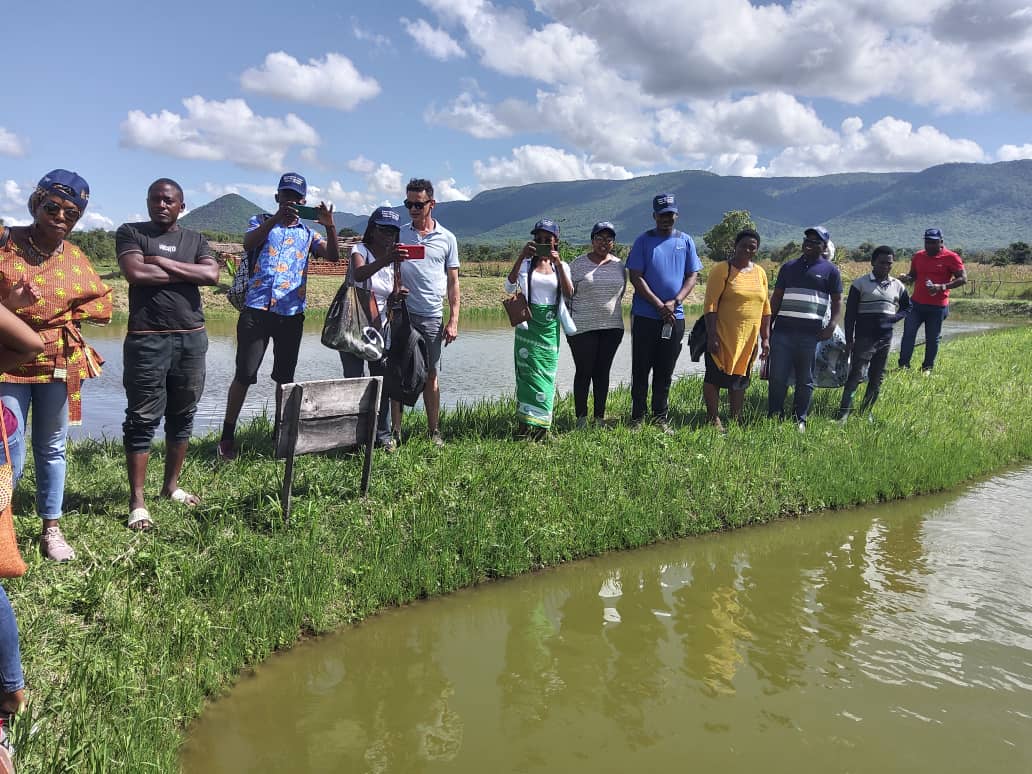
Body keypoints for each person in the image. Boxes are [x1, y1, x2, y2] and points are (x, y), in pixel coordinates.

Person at [0, 170, 112, 561]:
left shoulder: (76, 257)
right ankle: (3, 531)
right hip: (7, 359)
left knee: (52, 447)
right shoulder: (4, 243)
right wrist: (11, 306)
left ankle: (51, 529)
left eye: (72, 213)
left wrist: (66, 315)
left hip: (56, 363)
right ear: (36, 203)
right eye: (53, 207)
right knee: (7, 447)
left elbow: (103, 302)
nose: (61, 217)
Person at [116, 179, 220, 530]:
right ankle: (137, 501)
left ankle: (171, 487)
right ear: (147, 202)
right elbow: (135, 273)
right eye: (155, 199)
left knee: (183, 414)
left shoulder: (195, 239)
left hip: (191, 339)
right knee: (142, 418)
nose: (161, 205)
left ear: (181, 205)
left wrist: (160, 261)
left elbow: (212, 274)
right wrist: (188, 274)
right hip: (147, 340)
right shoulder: (131, 232)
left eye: (168, 200)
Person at [217, 173, 339, 459]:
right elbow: (248, 244)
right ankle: (226, 437)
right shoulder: (260, 222)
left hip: (291, 314)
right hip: (256, 311)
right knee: (244, 374)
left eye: (296, 198)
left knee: (284, 378)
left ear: (304, 201)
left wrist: (330, 226)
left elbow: (333, 256)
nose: (291, 202)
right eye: (286, 196)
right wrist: (275, 218)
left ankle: (280, 434)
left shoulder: (309, 234)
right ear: (277, 198)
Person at [626, 194, 702, 433]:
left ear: (676, 215)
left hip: (674, 317)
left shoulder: (686, 241)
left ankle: (660, 416)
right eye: (661, 215)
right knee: (641, 368)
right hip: (645, 315)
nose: (666, 218)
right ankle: (637, 417)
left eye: (670, 214)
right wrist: (659, 304)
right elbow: (635, 276)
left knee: (665, 368)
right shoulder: (643, 241)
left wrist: (675, 301)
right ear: (654, 216)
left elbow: (692, 275)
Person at [397, 179, 460, 447]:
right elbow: (390, 270)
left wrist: (454, 319)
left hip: (433, 316)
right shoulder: (398, 234)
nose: (413, 208)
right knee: (398, 373)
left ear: (431, 204)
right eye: (408, 203)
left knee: (431, 374)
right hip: (402, 315)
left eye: (418, 204)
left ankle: (434, 432)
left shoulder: (447, 238)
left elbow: (453, 282)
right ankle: (395, 433)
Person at [340, 207, 406, 451]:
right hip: (354, 326)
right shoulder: (360, 250)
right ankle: (354, 438)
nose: (388, 234)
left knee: (382, 381)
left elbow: (390, 294)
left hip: (381, 327)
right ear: (372, 229)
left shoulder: (393, 260)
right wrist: (386, 259)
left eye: (393, 230)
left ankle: (383, 435)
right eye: (383, 229)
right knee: (354, 379)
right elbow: (359, 274)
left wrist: (398, 296)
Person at [766, 226, 842, 431]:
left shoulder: (831, 271)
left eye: (815, 241)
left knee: (805, 379)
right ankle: (774, 415)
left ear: (824, 246)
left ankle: (800, 419)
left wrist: (832, 325)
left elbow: (837, 302)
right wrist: (767, 327)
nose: (809, 243)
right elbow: (777, 298)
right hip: (782, 332)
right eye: (807, 239)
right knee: (777, 377)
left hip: (811, 335)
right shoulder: (788, 267)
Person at [505, 219, 573, 436]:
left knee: (546, 375)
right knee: (527, 375)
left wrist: (560, 264)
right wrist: (521, 256)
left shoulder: (561, 266)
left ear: (556, 242)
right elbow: (509, 285)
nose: (543, 242)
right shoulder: (526, 264)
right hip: (528, 326)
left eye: (548, 239)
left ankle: (542, 427)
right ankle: (524, 426)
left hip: (549, 326)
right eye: (538, 239)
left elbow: (570, 293)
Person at [703, 228, 771, 431]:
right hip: (723, 334)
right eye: (744, 245)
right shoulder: (722, 269)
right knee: (714, 376)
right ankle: (713, 418)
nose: (748, 250)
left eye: (753, 247)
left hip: (749, 338)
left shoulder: (760, 273)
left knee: (741, 378)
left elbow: (766, 307)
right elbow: (710, 305)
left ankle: (736, 418)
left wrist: (765, 338)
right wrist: (712, 334)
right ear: (735, 246)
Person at [836, 246, 910, 421]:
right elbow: (850, 315)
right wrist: (849, 339)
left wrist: (894, 318)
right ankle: (844, 413)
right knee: (856, 375)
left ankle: (865, 412)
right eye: (882, 262)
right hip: (864, 338)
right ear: (872, 263)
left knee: (877, 377)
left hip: (885, 339)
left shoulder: (898, 285)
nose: (886, 266)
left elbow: (907, 307)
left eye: (889, 263)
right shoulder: (859, 284)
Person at [566, 222, 626, 429]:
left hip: (612, 327)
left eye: (608, 239)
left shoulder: (619, 265)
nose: (603, 243)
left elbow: (621, 293)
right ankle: (581, 418)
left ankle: (599, 418)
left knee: (603, 372)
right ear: (592, 240)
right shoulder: (577, 264)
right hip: (582, 327)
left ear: (613, 243)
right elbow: (567, 295)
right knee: (584, 371)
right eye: (599, 238)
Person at [897, 228, 966, 373]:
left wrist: (941, 287)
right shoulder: (918, 256)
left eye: (933, 242)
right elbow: (913, 276)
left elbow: (963, 279)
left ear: (941, 242)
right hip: (915, 304)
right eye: (927, 242)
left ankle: (927, 368)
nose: (929, 245)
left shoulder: (951, 257)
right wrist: (906, 278)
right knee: (908, 335)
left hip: (937, 306)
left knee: (932, 338)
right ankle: (903, 366)